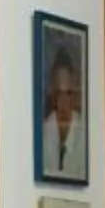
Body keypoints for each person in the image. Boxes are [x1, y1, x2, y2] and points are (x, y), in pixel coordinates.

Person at [40, 43, 86, 180]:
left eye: (69, 93)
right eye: (59, 94)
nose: (64, 104)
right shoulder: (44, 129)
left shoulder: (86, 134)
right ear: (52, 96)